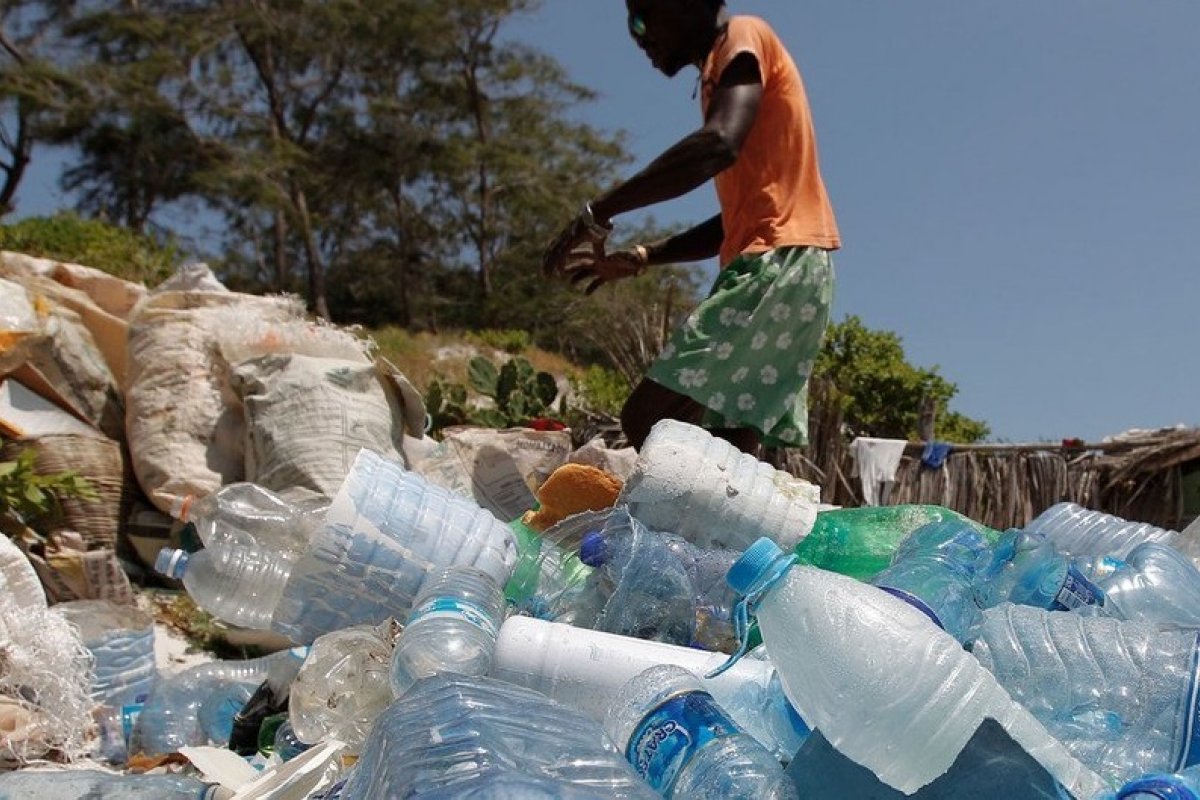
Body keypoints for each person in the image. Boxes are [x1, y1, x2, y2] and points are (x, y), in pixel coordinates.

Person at [543, 0, 840, 456]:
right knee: (727, 448)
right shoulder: (718, 75)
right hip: (790, 264)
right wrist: (644, 257)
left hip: (778, 263)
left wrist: (598, 213)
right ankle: (738, 528)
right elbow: (737, 220)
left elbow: (718, 143)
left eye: (643, 15)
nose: (637, 34)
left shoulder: (743, 35)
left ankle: (701, 526)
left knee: (651, 421)